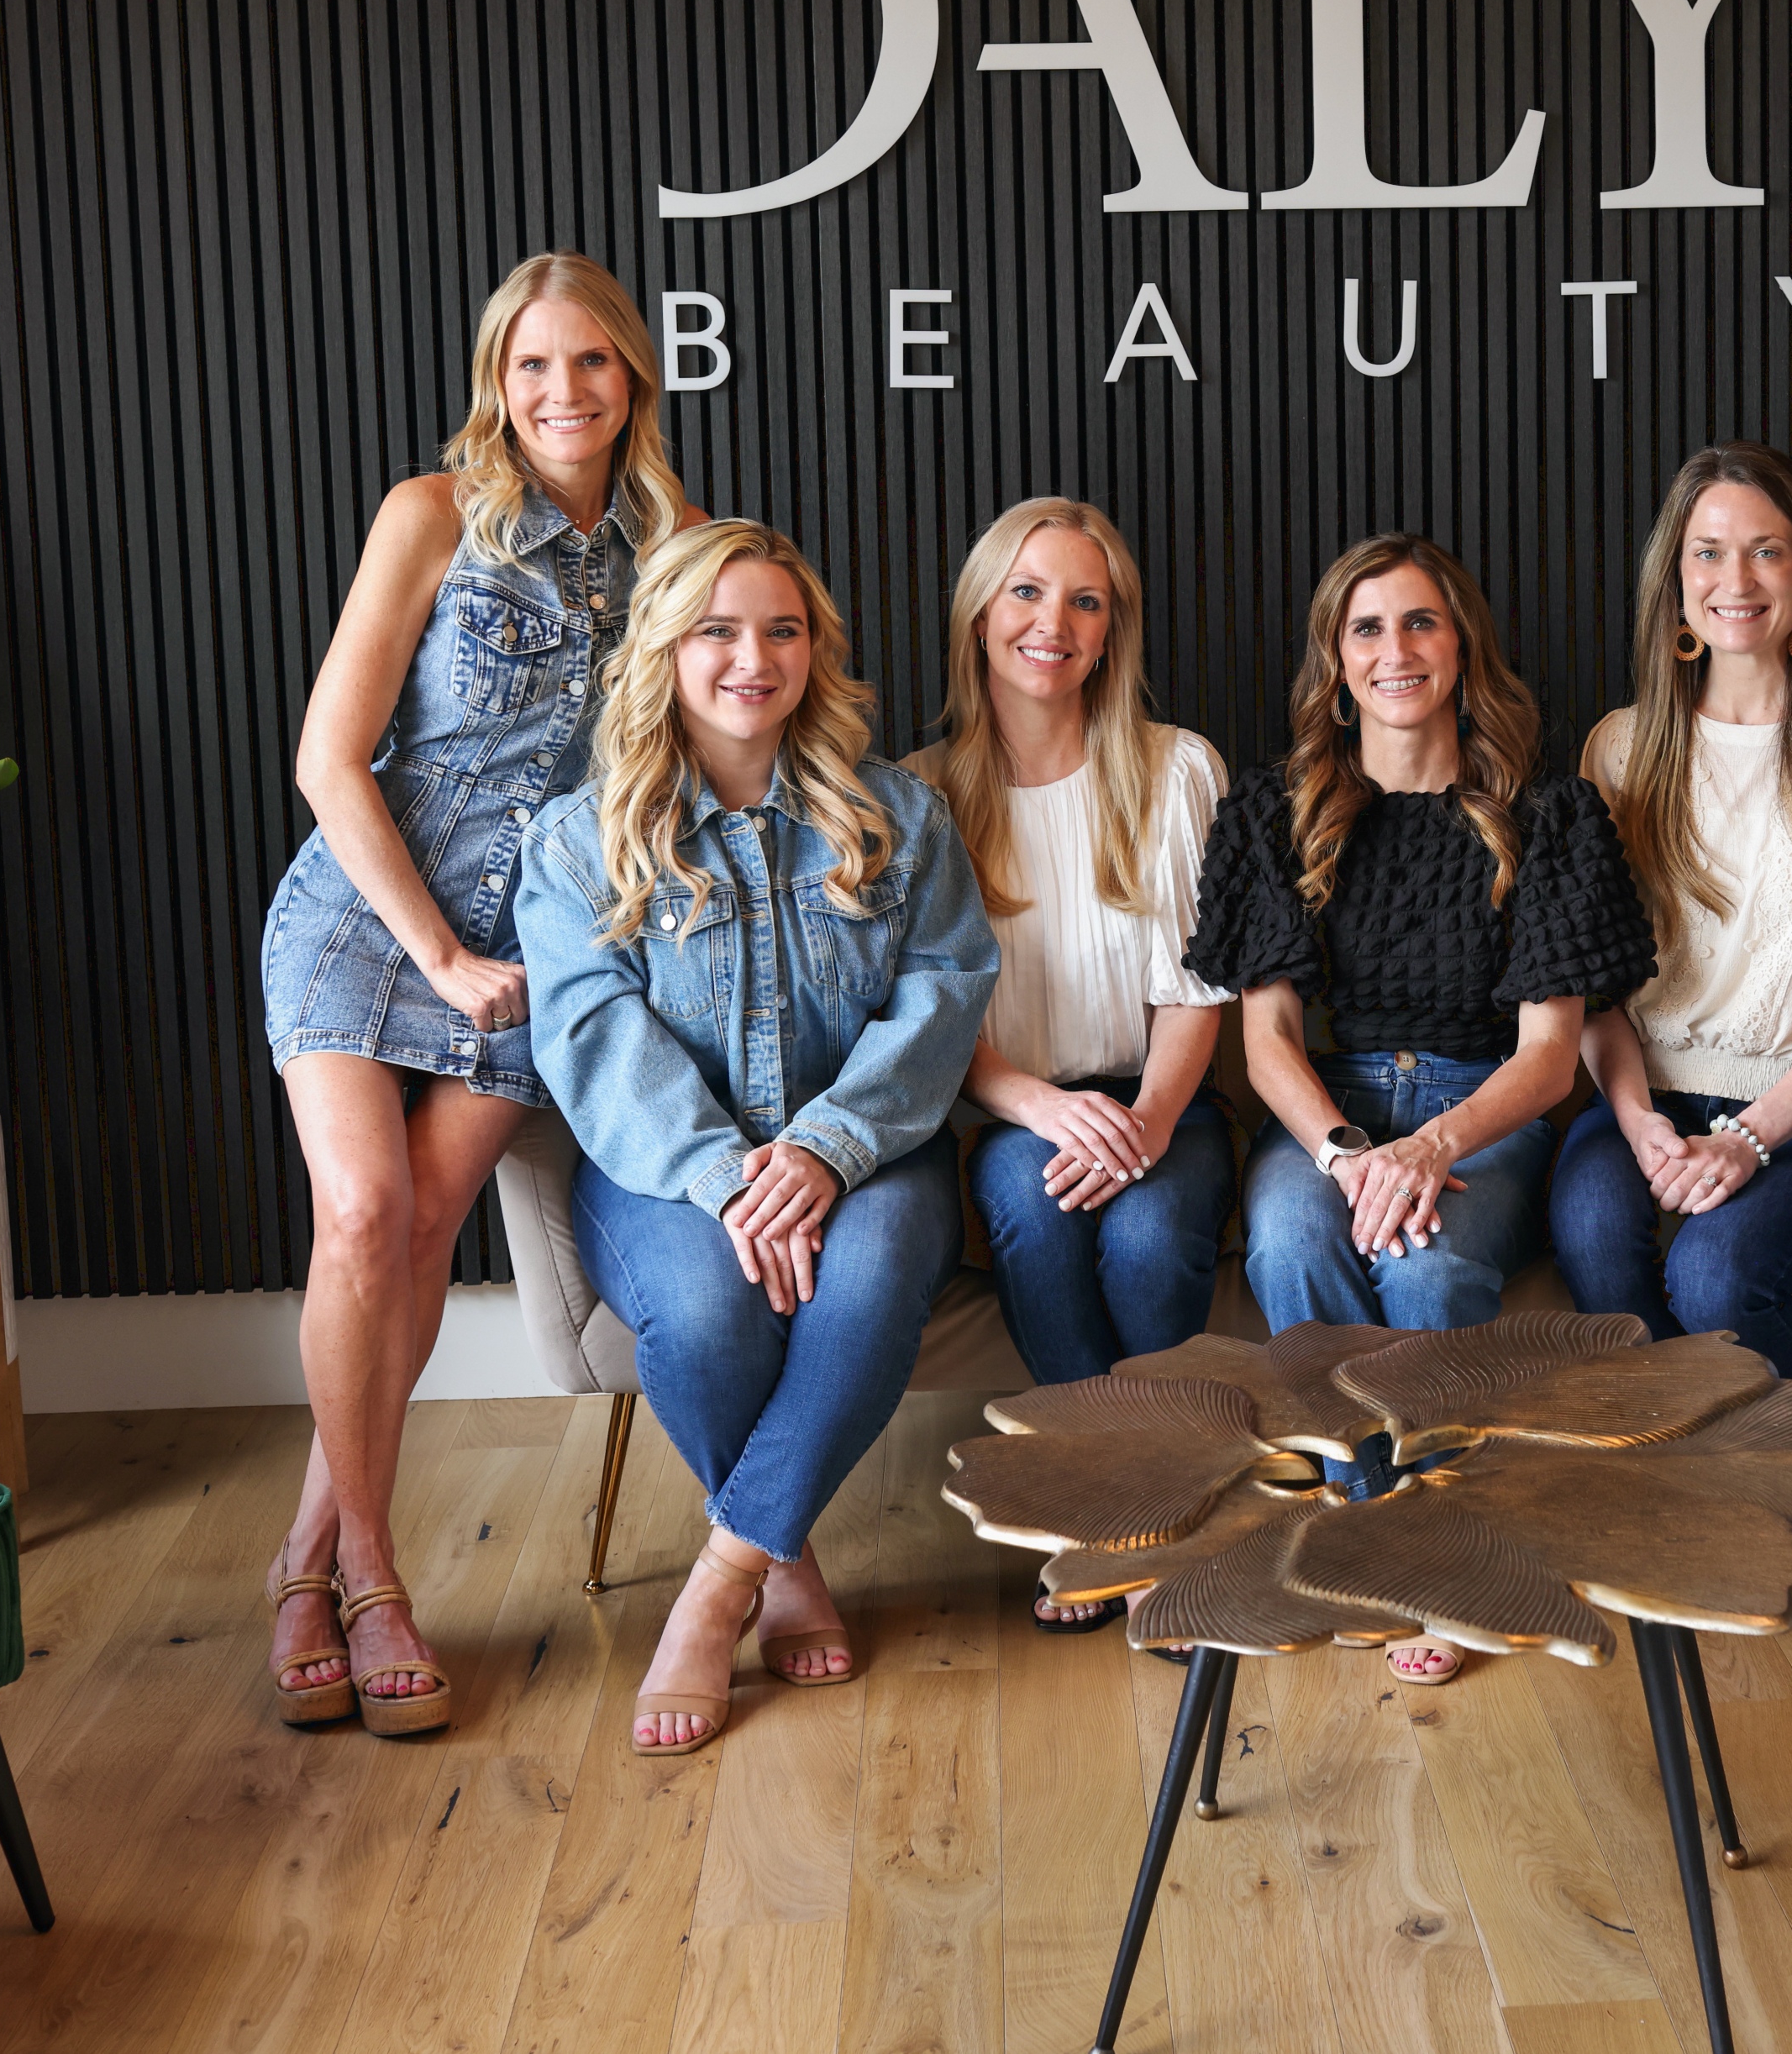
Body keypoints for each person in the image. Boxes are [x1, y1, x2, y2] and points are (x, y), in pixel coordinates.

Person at [257, 253, 686, 1734]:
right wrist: (437, 949)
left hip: (535, 957)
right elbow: (328, 760)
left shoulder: (672, 544)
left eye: (592, 366)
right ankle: (372, 1565)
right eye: (532, 367)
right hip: (371, 913)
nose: (562, 394)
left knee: (429, 1226)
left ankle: (303, 1562)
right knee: (364, 1213)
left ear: (635, 379)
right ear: (497, 383)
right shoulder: (429, 515)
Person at [515, 517, 996, 1754]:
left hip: (870, 1150)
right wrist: (736, 1179)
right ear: (665, 647)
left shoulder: (896, 815)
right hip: (667, 1167)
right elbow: (592, 1042)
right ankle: (789, 1554)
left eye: (782, 629)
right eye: (717, 630)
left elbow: (944, 995)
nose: (752, 657)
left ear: (815, 651)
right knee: (710, 1306)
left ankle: (725, 1572)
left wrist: (825, 1148)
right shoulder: (580, 840)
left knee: (875, 1274)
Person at [1186, 533, 1653, 1687]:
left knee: (1433, 1272)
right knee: (1297, 1236)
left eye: (1420, 623)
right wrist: (1353, 1156)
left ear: (1463, 645)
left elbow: (1551, 1057)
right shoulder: (1275, 814)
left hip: (1483, 1109)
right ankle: (1369, 1520)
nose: (1396, 650)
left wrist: (1432, 1145)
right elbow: (1270, 1039)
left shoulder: (1548, 818)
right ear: (1335, 667)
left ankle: (1438, 1544)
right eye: (1367, 629)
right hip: (1327, 1113)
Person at [1553, 442, 1792, 1375]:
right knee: (1592, 1223)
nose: (1736, 577)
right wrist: (1640, 1115)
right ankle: (1667, 1477)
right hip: (1636, 1095)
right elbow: (1593, 983)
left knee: (1717, 1275)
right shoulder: (1619, 749)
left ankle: (1754, 1486)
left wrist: (1746, 1136)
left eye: (1767, 550)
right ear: (1676, 581)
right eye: (1708, 551)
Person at [910, 502, 1235, 1636]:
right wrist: (1040, 1106)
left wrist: (1143, 1118)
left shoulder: (1175, 766)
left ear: (1112, 632)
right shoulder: (922, 793)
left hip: (1162, 1099)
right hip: (1011, 1109)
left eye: (1085, 600)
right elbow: (930, 1017)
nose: (1054, 621)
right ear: (980, 616)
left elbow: (1195, 988)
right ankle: (1108, 1514)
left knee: (1148, 1237)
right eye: (1028, 593)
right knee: (1031, 1211)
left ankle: (1149, 1503)